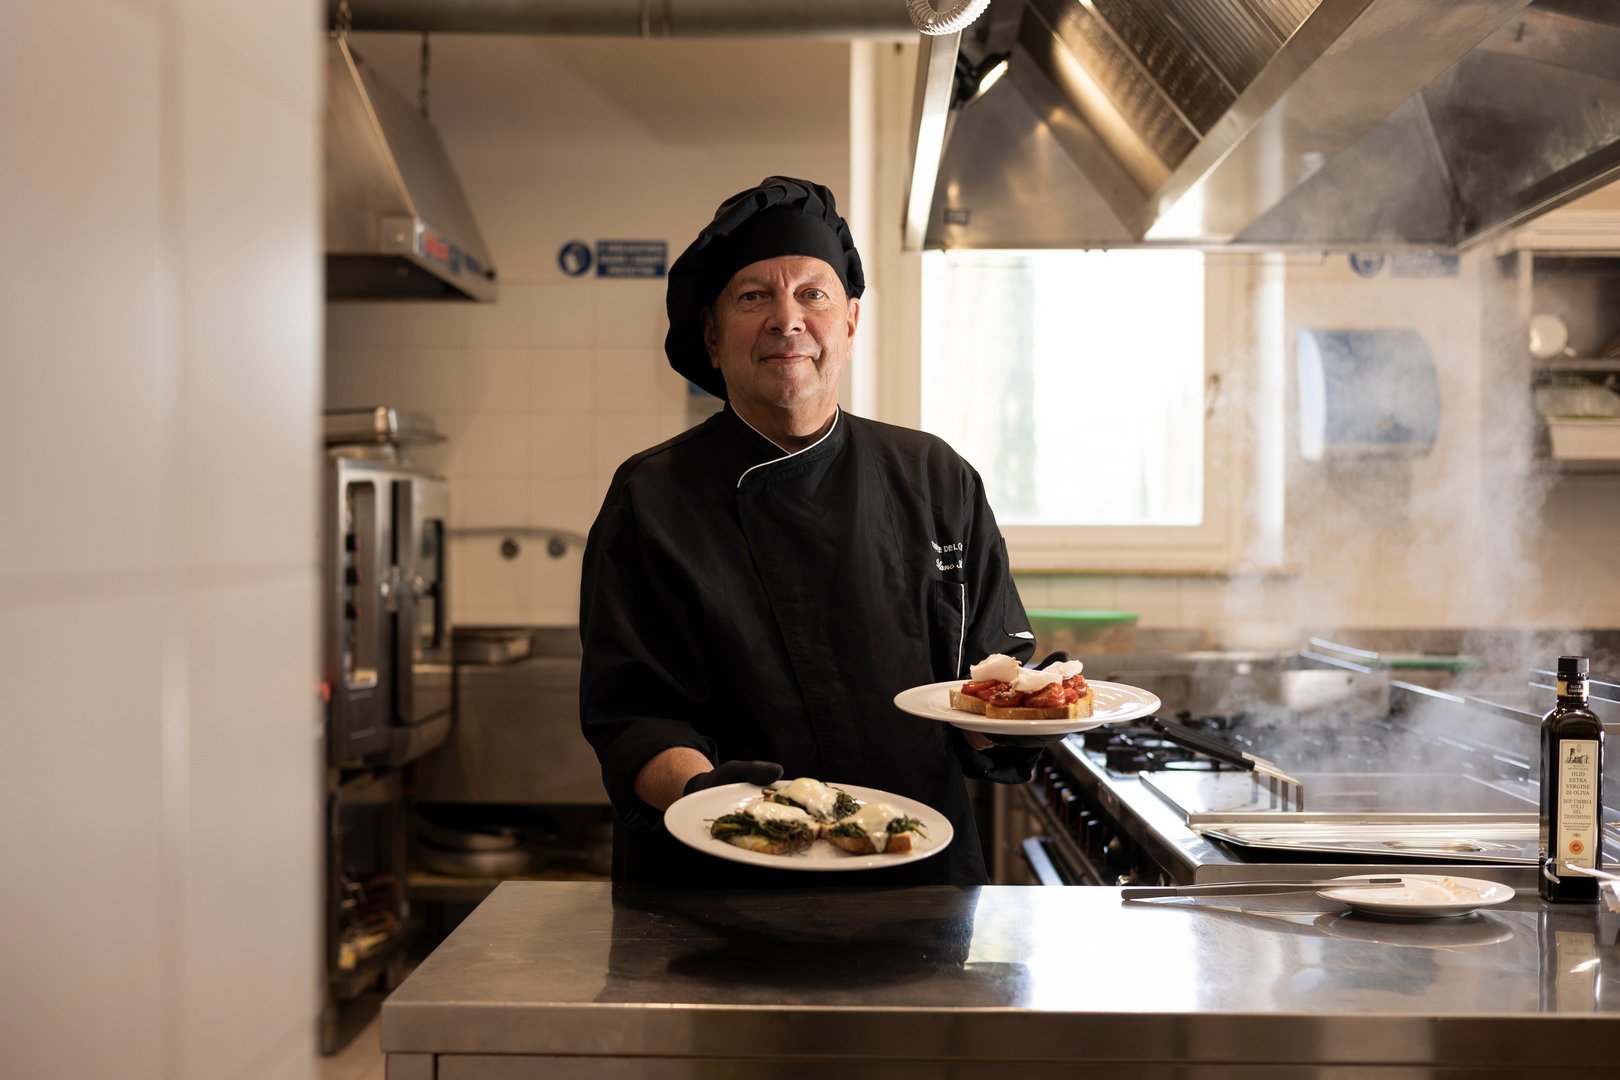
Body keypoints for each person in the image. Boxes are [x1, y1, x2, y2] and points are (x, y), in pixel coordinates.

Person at [579, 176, 1053, 886]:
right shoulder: (650, 497)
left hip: (914, 878)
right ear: (712, 335)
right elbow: (632, 718)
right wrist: (709, 799)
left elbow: (986, 682)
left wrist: (1028, 707)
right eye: (753, 297)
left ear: (851, 323)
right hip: (720, 886)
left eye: (813, 294)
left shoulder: (936, 477)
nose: (787, 319)